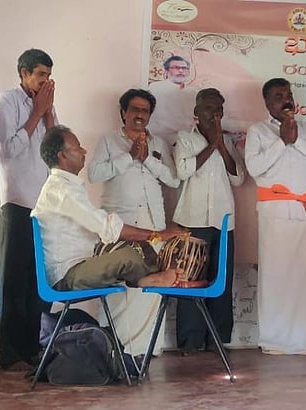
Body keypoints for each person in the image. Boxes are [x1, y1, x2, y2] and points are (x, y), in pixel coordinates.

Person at [32, 125, 184, 292]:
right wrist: (158, 235)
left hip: (85, 262)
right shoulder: (62, 190)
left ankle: (154, 276)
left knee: (138, 246)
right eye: (77, 148)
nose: (84, 151)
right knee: (128, 257)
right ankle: (151, 279)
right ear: (62, 156)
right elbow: (105, 226)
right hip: (68, 274)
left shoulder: (66, 186)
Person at [245, 78, 306, 355]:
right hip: (273, 216)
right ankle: (276, 341)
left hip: (304, 213)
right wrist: (282, 142)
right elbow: (254, 168)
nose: (285, 99)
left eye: (288, 94)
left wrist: (297, 140)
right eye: (277, 96)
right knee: (276, 279)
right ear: (267, 103)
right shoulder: (258, 132)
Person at [88, 89, 180, 356]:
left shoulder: (159, 144)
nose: (140, 115)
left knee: (151, 284)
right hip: (122, 225)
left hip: (154, 224)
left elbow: (173, 180)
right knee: (122, 285)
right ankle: (115, 346)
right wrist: (128, 156)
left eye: (145, 111)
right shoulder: (108, 141)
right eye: (135, 110)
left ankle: (147, 348)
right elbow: (94, 174)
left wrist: (146, 158)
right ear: (123, 113)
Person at [0, 48, 58, 371]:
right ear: (23, 74)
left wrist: (47, 112)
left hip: (43, 203)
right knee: (14, 280)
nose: (44, 81)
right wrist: (36, 111)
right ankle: (11, 354)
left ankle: (34, 348)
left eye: (47, 75)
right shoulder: (7, 101)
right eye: (39, 75)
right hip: (17, 200)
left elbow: (55, 147)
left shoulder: (46, 103)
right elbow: (8, 149)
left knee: (37, 280)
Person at [172, 88, 244, 354]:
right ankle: (190, 342)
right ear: (196, 113)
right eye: (208, 109)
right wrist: (212, 144)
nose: (214, 114)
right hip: (193, 220)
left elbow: (239, 178)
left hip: (224, 220)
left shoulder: (227, 142)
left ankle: (217, 339)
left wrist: (222, 146)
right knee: (190, 280)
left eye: (218, 110)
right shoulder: (185, 139)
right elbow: (183, 170)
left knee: (219, 281)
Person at [147, 55, 199, 146]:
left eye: (184, 68)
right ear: (167, 71)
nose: (181, 71)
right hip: (161, 140)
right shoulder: (156, 88)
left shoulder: (193, 92)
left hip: (186, 141)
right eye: (176, 68)